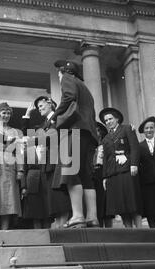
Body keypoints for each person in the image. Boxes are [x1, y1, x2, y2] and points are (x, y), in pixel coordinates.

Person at [50, 60, 99, 228]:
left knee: (71, 171)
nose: (58, 76)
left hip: (74, 130)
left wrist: (53, 116)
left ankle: (78, 216)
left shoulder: (67, 78)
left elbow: (68, 97)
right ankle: (92, 217)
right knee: (85, 175)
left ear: (64, 71)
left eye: (58, 72)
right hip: (88, 133)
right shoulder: (84, 87)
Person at [22, 96, 72, 228]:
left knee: (60, 193)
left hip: (57, 160)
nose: (39, 109)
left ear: (50, 104)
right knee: (53, 195)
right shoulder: (46, 122)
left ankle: (63, 222)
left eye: (42, 106)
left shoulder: (57, 117)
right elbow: (29, 134)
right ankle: (60, 223)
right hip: (48, 163)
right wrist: (27, 116)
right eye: (38, 108)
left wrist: (32, 141)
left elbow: (52, 137)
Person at [99, 107, 142, 228]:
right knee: (121, 205)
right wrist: (105, 177)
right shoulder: (106, 138)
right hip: (113, 173)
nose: (108, 122)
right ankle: (128, 230)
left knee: (132, 201)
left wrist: (134, 164)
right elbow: (106, 159)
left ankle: (139, 230)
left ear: (117, 119)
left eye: (110, 119)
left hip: (127, 170)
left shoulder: (127, 129)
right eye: (106, 120)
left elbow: (135, 147)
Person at [93, 122, 113, 228]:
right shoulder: (89, 145)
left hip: (104, 172)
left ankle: (109, 229)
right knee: (96, 204)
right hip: (92, 175)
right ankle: (99, 228)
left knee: (106, 203)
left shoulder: (106, 144)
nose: (96, 133)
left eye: (98, 130)